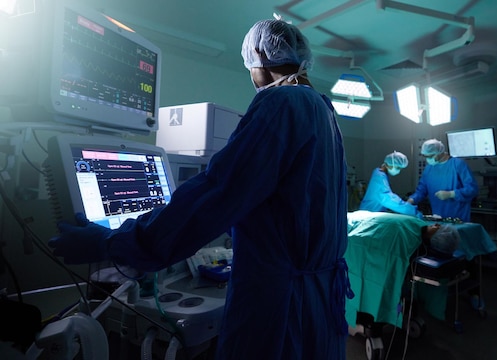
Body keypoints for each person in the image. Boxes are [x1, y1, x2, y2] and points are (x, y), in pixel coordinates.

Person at [49, 19, 352, 360]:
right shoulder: (323, 109)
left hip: (281, 302)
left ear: (257, 53)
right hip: (316, 296)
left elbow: (218, 193)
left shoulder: (281, 103)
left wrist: (111, 242)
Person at [407, 139, 478, 222]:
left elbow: (472, 188)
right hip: (437, 217)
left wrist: (451, 194)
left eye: (430, 156)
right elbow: (421, 190)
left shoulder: (457, 164)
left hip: (458, 218)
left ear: (440, 153)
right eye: (425, 156)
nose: (427, 159)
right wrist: (411, 200)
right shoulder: (429, 168)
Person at [359, 151, 420, 216]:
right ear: (389, 164)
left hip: (372, 214)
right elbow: (389, 199)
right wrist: (413, 211)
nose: (399, 170)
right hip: (368, 216)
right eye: (397, 168)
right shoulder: (379, 178)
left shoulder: (380, 173)